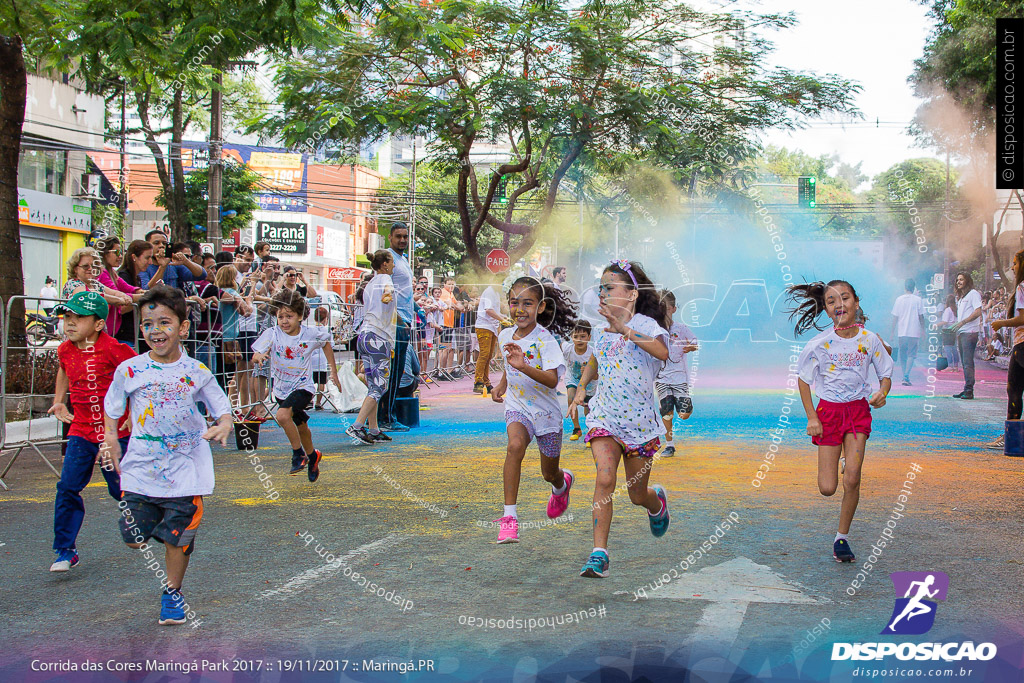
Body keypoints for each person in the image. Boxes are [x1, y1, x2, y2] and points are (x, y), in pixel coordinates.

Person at [102, 285, 233, 625]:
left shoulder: (196, 371)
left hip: (186, 467)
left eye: (164, 323)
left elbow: (221, 407)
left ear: (183, 327)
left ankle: (172, 594)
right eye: (148, 324)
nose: (155, 331)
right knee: (133, 538)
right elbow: (113, 407)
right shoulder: (130, 370)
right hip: (142, 467)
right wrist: (112, 439)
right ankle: (162, 527)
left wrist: (224, 424)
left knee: (178, 540)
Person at [570, 260, 671, 578]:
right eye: (600, 288)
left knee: (635, 494)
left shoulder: (650, 326)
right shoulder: (599, 330)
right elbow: (596, 360)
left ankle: (655, 503)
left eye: (609, 287)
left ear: (631, 294)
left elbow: (662, 352)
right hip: (605, 418)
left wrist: (626, 329)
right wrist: (582, 387)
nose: (602, 293)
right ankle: (599, 553)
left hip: (640, 425)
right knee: (604, 479)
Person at [788, 280, 893, 563]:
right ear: (826, 309)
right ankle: (845, 461)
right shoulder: (819, 344)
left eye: (845, 298)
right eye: (832, 301)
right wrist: (812, 416)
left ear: (856, 303)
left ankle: (841, 537)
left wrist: (882, 392)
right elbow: (803, 380)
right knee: (827, 488)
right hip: (829, 414)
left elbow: (885, 374)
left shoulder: (870, 340)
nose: (840, 304)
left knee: (853, 478)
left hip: (858, 412)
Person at [46, 292, 137, 572]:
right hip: (81, 430)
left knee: (118, 487)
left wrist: (134, 412)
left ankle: (138, 518)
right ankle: (65, 549)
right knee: (68, 487)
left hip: (113, 431)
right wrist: (59, 400)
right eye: (67, 317)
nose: (70, 323)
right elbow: (63, 370)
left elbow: (138, 376)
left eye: (78, 318)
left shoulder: (115, 349)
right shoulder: (65, 349)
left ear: (98, 324)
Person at [491, 276, 578, 544]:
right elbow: (510, 365)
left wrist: (523, 367)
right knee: (514, 446)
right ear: (508, 304)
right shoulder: (505, 334)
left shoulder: (546, 341)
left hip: (546, 413)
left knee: (548, 473)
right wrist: (502, 385)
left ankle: (561, 484)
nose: (520, 309)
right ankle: (509, 519)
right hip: (518, 406)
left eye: (527, 304)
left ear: (540, 307)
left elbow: (552, 380)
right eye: (515, 302)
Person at [252, 289, 340, 480]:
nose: (284, 321)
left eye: (289, 316)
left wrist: (333, 371)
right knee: (300, 426)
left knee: (283, 416)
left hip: (303, 387)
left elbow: (325, 343)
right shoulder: (272, 333)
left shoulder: (310, 333)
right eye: (280, 316)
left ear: (300, 316)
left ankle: (297, 453)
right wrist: (258, 356)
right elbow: (256, 353)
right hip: (281, 389)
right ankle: (313, 456)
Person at [348, 250, 397, 444]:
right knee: (379, 385)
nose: (393, 265)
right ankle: (357, 426)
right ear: (384, 264)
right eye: (391, 262)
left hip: (365, 335)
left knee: (372, 385)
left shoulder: (369, 284)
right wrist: (388, 294)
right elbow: (387, 293)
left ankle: (374, 428)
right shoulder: (386, 278)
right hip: (378, 338)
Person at [378, 223, 414, 431]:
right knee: (392, 372)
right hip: (395, 324)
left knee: (397, 372)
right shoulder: (388, 261)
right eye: (398, 236)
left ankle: (385, 415)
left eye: (405, 237)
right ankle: (386, 418)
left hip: (404, 320)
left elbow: (404, 293)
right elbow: (387, 294)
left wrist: (416, 310)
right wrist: (399, 320)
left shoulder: (402, 260)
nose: (402, 240)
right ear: (390, 237)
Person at [656, 291, 698, 457]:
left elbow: (695, 342)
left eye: (665, 308)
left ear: (673, 309)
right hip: (661, 377)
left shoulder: (680, 328)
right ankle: (669, 444)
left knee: (684, 414)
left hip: (679, 377)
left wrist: (691, 347)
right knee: (666, 412)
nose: (662, 311)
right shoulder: (654, 330)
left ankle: (684, 406)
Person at [990, 250, 1024, 450]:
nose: (1012, 267)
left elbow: (1022, 318)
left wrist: (1001, 322)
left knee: (1014, 389)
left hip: (1022, 344)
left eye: (1015, 263)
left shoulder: (1021, 287)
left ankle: (1011, 437)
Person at [94, 237, 145, 338]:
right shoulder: (102, 273)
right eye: (117, 252)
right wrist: (146, 295)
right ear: (105, 253)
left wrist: (144, 292)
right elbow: (117, 294)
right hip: (104, 327)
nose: (120, 256)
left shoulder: (112, 272)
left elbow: (129, 288)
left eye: (121, 252)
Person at [62, 247, 134, 309]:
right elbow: (89, 295)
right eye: (85, 266)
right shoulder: (72, 284)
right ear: (75, 269)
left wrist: (124, 296)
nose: (90, 269)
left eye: (94, 266)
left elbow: (114, 292)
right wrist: (118, 300)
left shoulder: (95, 284)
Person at [563, 321, 597, 444]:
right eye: (576, 337)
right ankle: (576, 428)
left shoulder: (593, 353)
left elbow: (598, 375)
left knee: (588, 407)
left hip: (590, 383)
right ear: (571, 337)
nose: (579, 340)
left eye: (583, 336)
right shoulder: (568, 349)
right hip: (572, 379)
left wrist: (590, 373)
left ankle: (590, 431)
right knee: (571, 397)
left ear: (589, 337)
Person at [950, 272, 983, 399]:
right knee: (964, 362)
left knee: (968, 362)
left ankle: (969, 390)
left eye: (961, 280)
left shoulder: (973, 294)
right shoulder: (961, 297)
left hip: (970, 332)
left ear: (967, 281)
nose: (959, 282)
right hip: (962, 332)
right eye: (957, 280)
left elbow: (978, 311)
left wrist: (964, 322)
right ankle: (966, 388)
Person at [139, 230, 204, 290]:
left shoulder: (173, 264)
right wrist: (162, 267)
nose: (161, 246)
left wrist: (186, 262)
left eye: (164, 243)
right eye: (156, 243)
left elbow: (201, 275)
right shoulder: (143, 266)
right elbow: (147, 290)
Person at [890, 279, 925, 386]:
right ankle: (906, 375)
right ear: (914, 288)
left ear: (905, 287)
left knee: (903, 354)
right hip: (914, 331)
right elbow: (921, 317)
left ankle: (904, 375)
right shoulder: (918, 300)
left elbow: (895, 317)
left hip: (902, 332)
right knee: (911, 354)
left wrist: (892, 332)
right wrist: (923, 330)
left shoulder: (899, 300)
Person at [473, 280, 504, 393]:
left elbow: (496, 311)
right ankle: (478, 382)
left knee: (489, 355)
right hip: (484, 325)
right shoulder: (490, 291)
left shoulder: (496, 293)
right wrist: (503, 319)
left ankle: (487, 382)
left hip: (492, 326)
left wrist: (504, 318)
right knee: (484, 354)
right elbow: (489, 310)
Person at [311, 306, 332, 411]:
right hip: (322, 359)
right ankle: (318, 402)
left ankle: (309, 401)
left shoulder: (311, 329)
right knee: (321, 382)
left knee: (310, 381)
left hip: (311, 359)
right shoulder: (326, 330)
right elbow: (330, 344)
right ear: (326, 319)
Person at [939, 294, 961, 370]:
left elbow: (945, 321)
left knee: (947, 348)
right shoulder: (956, 309)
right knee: (954, 348)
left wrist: (936, 324)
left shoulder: (948, 310)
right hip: (954, 329)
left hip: (947, 330)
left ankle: (949, 365)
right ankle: (956, 365)